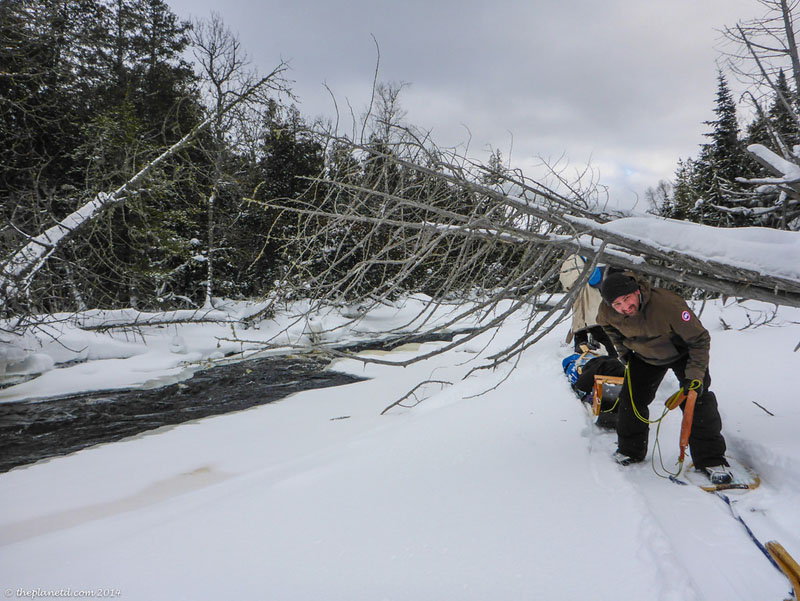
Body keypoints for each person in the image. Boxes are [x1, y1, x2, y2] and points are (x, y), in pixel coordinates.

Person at [595, 271, 732, 484]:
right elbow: (608, 328)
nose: (624, 307)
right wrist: (624, 352)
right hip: (644, 355)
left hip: (682, 353)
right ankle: (630, 451)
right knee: (631, 400)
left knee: (697, 401)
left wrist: (695, 375)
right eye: (618, 304)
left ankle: (711, 460)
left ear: (637, 292)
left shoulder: (668, 305)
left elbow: (699, 339)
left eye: (627, 299)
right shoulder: (606, 312)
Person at [558, 254, 617, 356]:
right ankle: (609, 355)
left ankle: (585, 355)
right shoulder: (592, 255)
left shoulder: (572, 259)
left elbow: (566, 281)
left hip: (585, 298)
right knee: (596, 326)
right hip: (594, 298)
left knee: (589, 326)